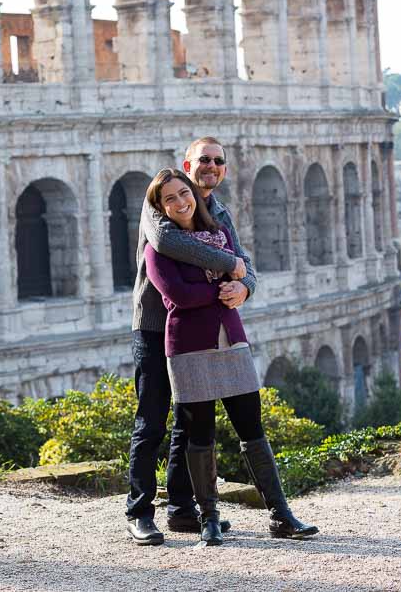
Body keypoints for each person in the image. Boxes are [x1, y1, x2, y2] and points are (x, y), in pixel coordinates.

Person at [144, 168, 318, 546]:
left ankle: (281, 514)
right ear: (159, 207)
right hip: (189, 347)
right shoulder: (157, 249)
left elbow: (242, 273)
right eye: (169, 198)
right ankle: (208, 518)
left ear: (193, 194)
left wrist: (238, 285)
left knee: (252, 429)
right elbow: (178, 296)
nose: (180, 202)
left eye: (183, 194)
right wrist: (219, 287)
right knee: (200, 434)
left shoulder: (220, 235)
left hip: (231, 340)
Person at [125, 137, 255, 545]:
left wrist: (245, 286)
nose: (210, 167)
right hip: (153, 327)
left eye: (218, 161)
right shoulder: (158, 202)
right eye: (203, 160)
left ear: (224, 169)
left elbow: (244, 262)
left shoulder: (218, 210)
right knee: (151, 421)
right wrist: (229, 266)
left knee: (189, 422)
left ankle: (182, 510)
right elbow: (169, 243)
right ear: (188, 163)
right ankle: (139, 512)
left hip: (197, 331)